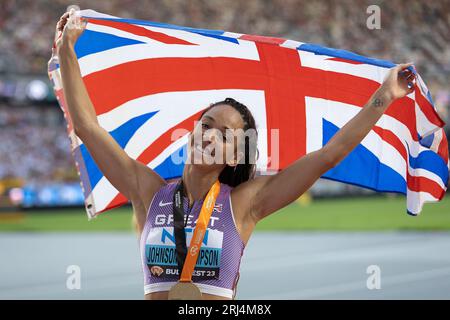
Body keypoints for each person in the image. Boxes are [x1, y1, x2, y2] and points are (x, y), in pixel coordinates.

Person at [55, 10, 416, 300]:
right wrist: (67, 51)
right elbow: (88, 129)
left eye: (225, 134)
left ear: (235, 154)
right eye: (206, 123)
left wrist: (383, 96)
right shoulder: (148, 191)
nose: (209, 134)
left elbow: (329, 155)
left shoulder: (245, 203)